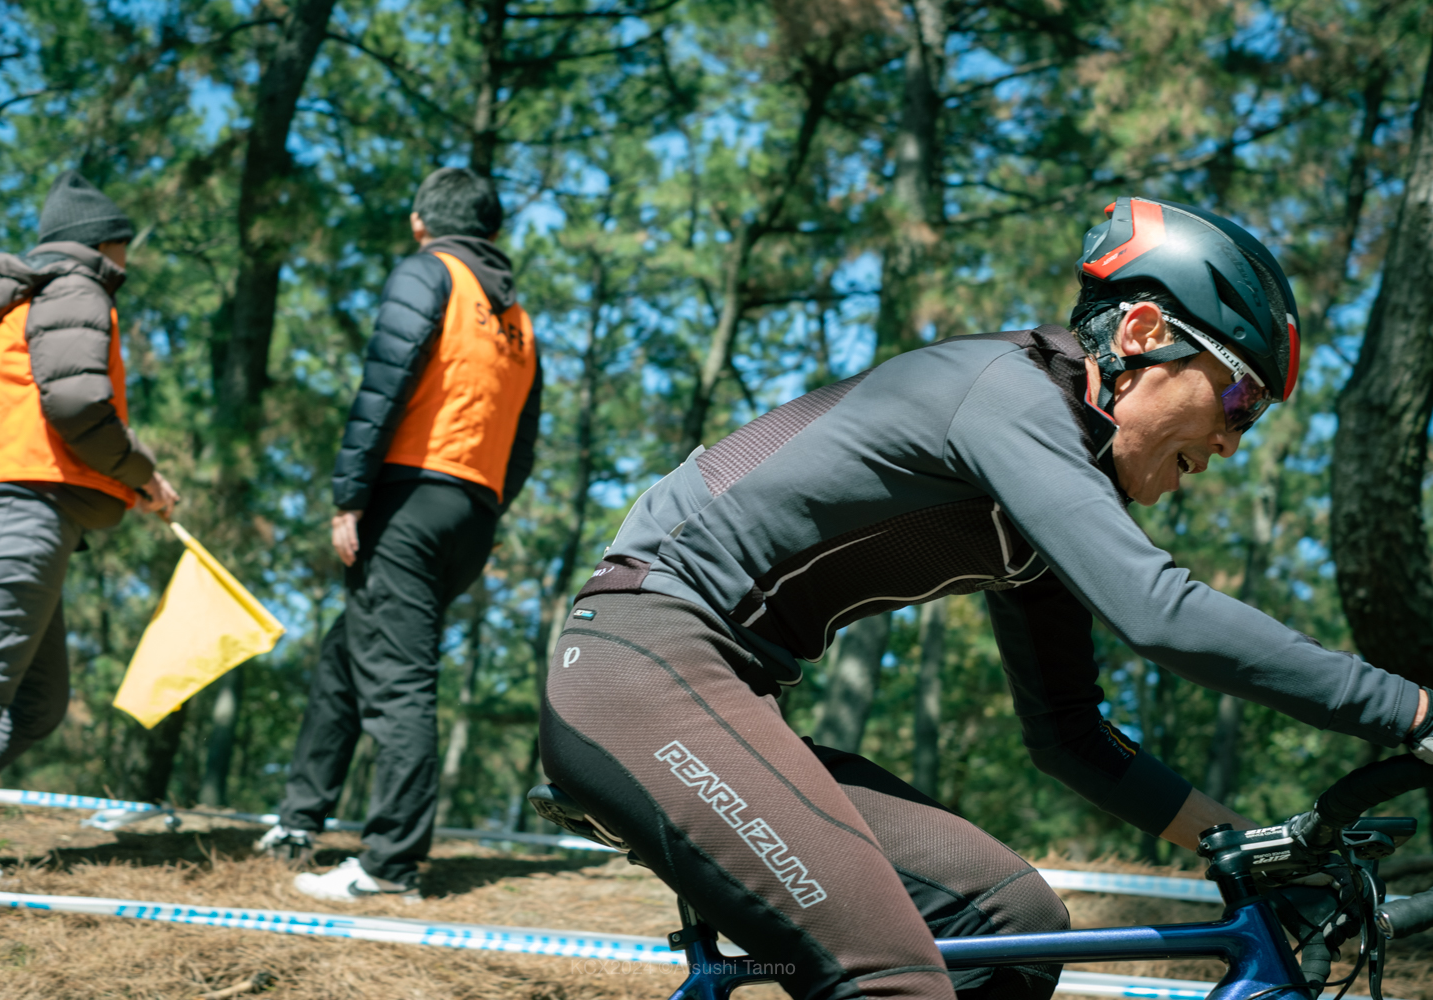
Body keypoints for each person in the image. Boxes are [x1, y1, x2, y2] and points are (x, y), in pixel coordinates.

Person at [540, 197, 1432, 1000]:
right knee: (892, 980)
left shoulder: (1052, 485)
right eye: (1238, 397)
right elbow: (1159, 612)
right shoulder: (1009, 393)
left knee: (1011, 925)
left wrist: (1243, 845)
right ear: (1142, 333)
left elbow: (1071, 734)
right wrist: (1414, 711)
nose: (1234, 441)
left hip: (723, 696)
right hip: (641, 664)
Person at [257, 167, 542, 901]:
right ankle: (298, 819)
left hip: (409, 501)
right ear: (493, 231)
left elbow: (384, 383)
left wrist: (350, 498)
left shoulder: (428, 273)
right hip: (471, 510)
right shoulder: (518, 318)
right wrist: (484, 512)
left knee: (399, 684)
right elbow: (524, 442)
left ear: (420, 222)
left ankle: (390, 865)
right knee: (346, 658)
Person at [0, 171, 179, 889]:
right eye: (123, 245)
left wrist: (127, 478)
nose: (127, 260)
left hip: (19, 512)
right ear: (102, 244)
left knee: (39, 705)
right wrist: (140, 472)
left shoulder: (31, 298)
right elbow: (75, 404)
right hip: (23, 515)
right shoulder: (76, 288)